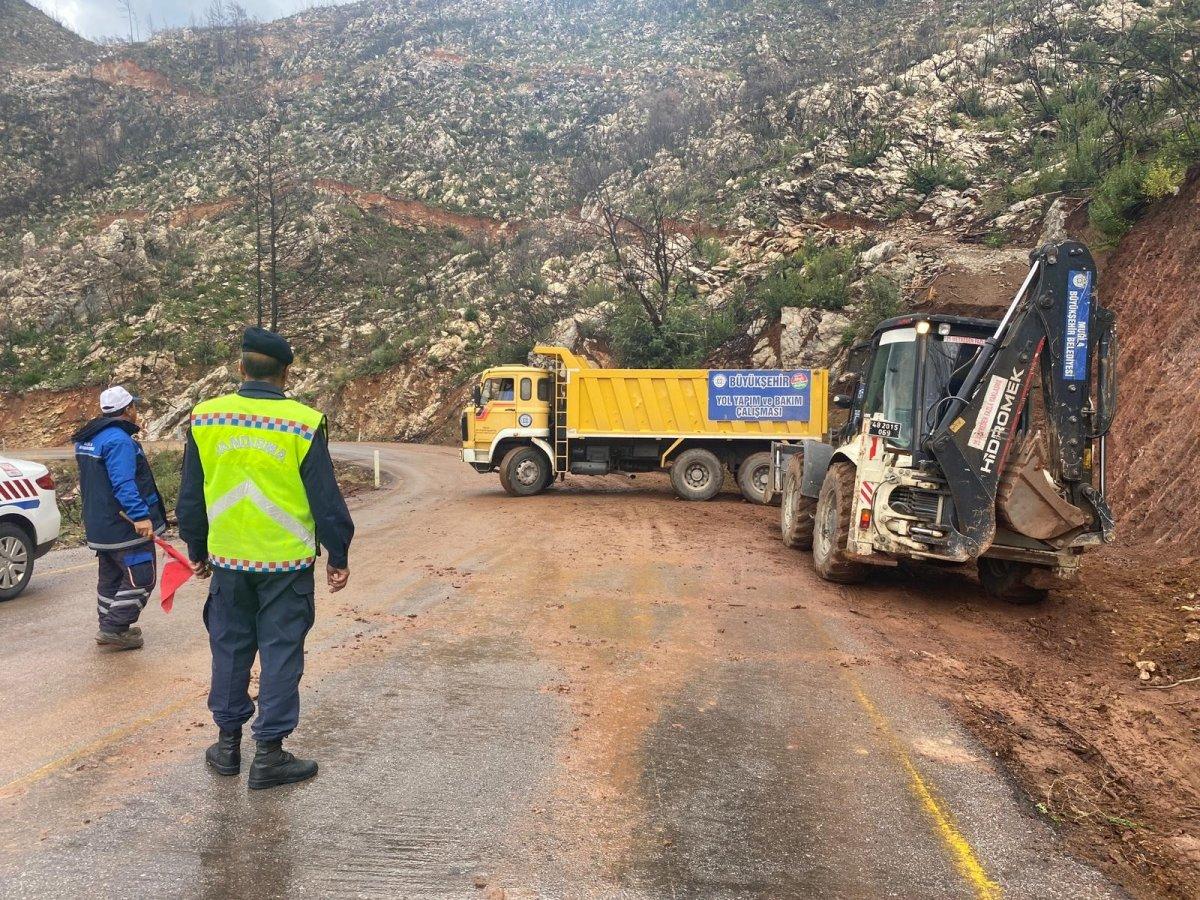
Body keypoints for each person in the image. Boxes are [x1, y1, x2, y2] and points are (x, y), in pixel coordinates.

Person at [177, 327, 354, 790]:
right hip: (285, 566)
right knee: (280, 653)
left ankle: (228, 747)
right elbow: (325, 497)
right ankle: (269, 755)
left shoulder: (206, 418)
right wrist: (339, 553)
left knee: (230, 649)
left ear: (240, 368)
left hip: (229, 561)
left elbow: (191, 497)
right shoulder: (303, 422)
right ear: (285, 373)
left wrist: (196, 549)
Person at [72, 386, 168, 651]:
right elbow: (124, 482)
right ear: (128, 410)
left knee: (112, 577)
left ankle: (109, 624)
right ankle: (115, 628)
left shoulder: (89, 438)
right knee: (142, 577)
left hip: (100, 525)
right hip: (124, 526)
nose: (136, 411)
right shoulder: (118, 441)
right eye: (134, 407)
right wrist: (140, 517)